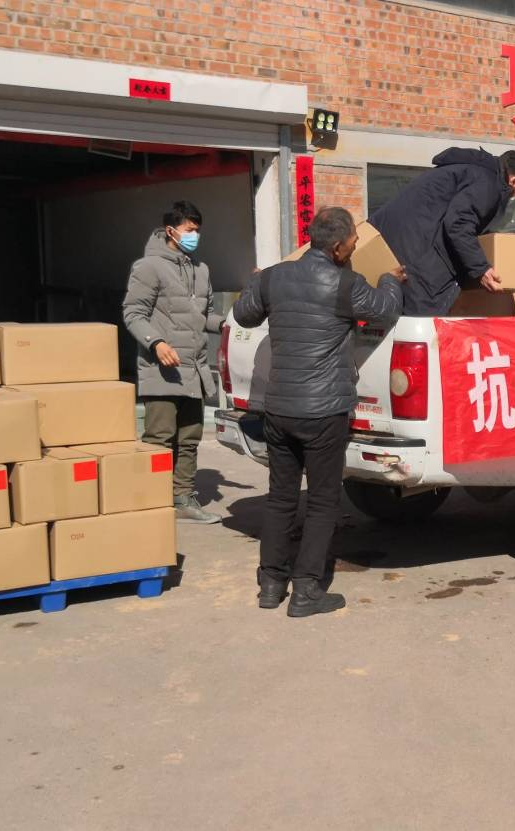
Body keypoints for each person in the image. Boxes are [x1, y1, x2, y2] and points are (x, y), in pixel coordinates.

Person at [234, 207, 405, 617]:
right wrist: (390, 280)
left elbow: (243, 315)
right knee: (323, 502)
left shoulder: (273, 278)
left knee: (280, 498)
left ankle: (271, 584)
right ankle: (307, 591)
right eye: (353, 243)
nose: (356, 247)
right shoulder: (347, 284)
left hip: (279, 409)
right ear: (337, 247)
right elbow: (386, 309)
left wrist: (254, 283)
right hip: (324, 413)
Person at [122, 200, 224, 524]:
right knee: (159, 439)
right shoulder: (148, 267)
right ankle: (150, 501)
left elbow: (205, 315)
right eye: (189, 230)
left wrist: (228, 324)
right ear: (171, 230)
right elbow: (133, 313)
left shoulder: (201, 270)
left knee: (190, 438)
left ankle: (183, 498)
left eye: (198, 230)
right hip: (162, 369)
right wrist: (156, 342)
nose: (195, 236)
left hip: (193, 368)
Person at [369, 147, 515, 315]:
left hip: (391, 243)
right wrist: (481, 268)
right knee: (422, 317)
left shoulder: (470, 170)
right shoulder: (489, 183)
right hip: (416, 252)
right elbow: (458, 223)